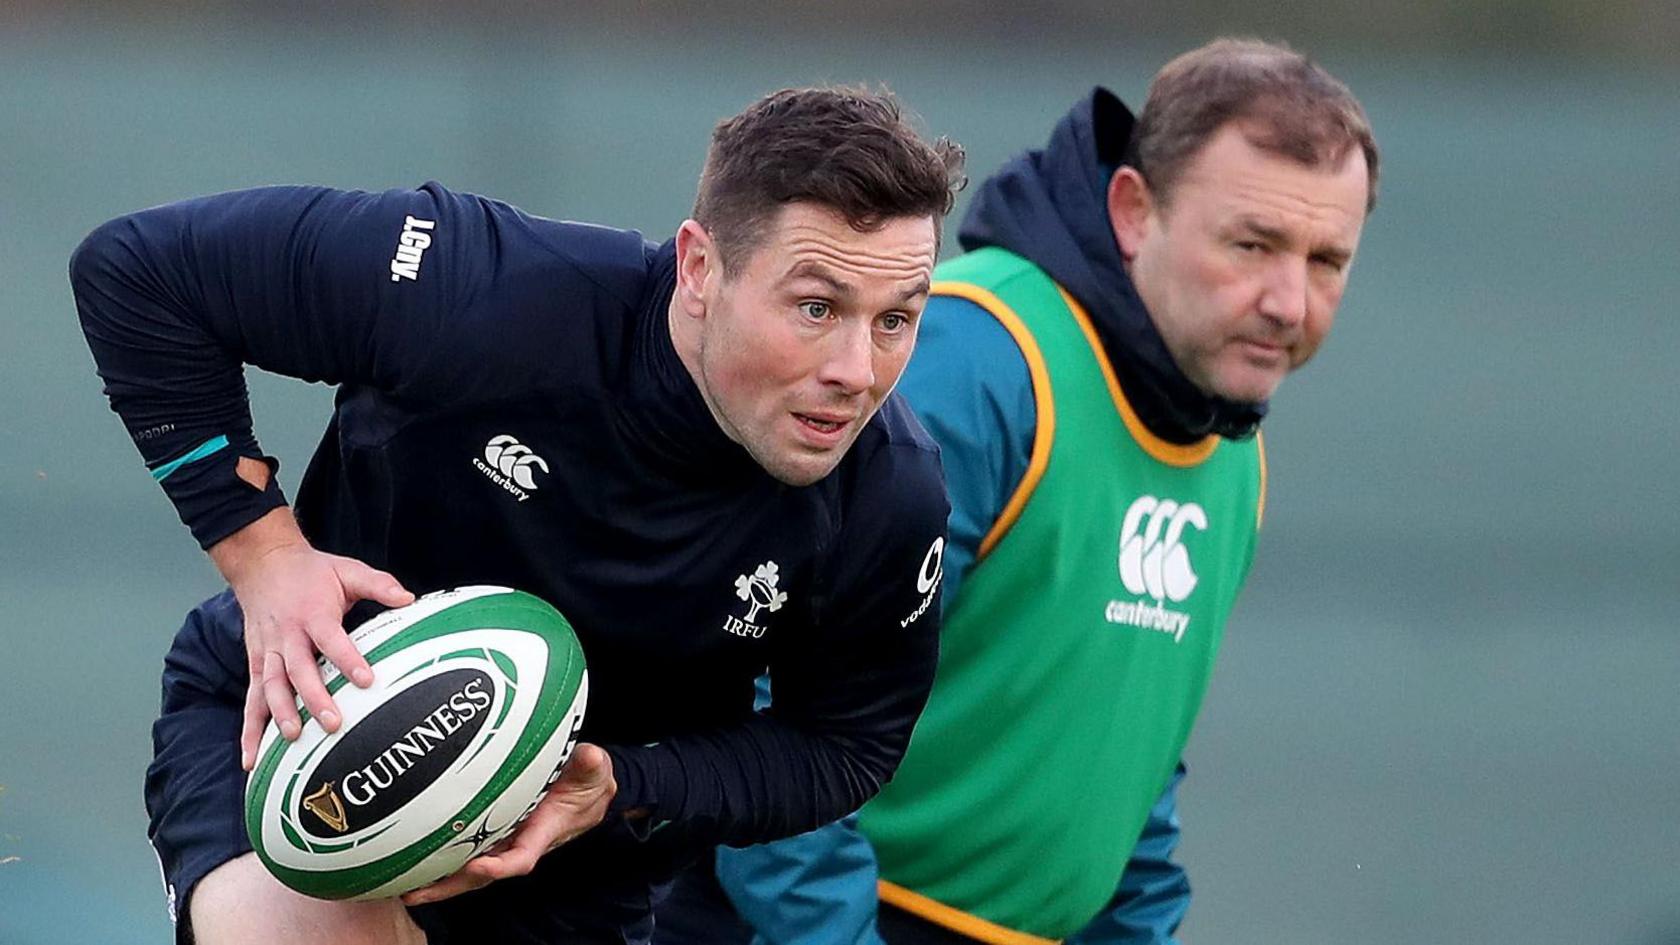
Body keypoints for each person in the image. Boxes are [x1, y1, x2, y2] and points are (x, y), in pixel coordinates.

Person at [68, 86, 967, 945]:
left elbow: (845, 743)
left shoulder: (888, 492)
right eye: (817, 307)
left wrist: (624, 783)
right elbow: (139, 272)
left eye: (896, 318)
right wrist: (264, 556)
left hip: (567, 861)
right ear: (700, 266)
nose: (858, 368)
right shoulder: (482, 289)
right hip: (309, 728)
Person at [661, 39, 1380, 944]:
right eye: (1252, 243)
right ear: (1133, 211)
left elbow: (1128, 770)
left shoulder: (1231, 441)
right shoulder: (979, 364)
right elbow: (772, 712)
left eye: (1327, 260)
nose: (1289, 299)